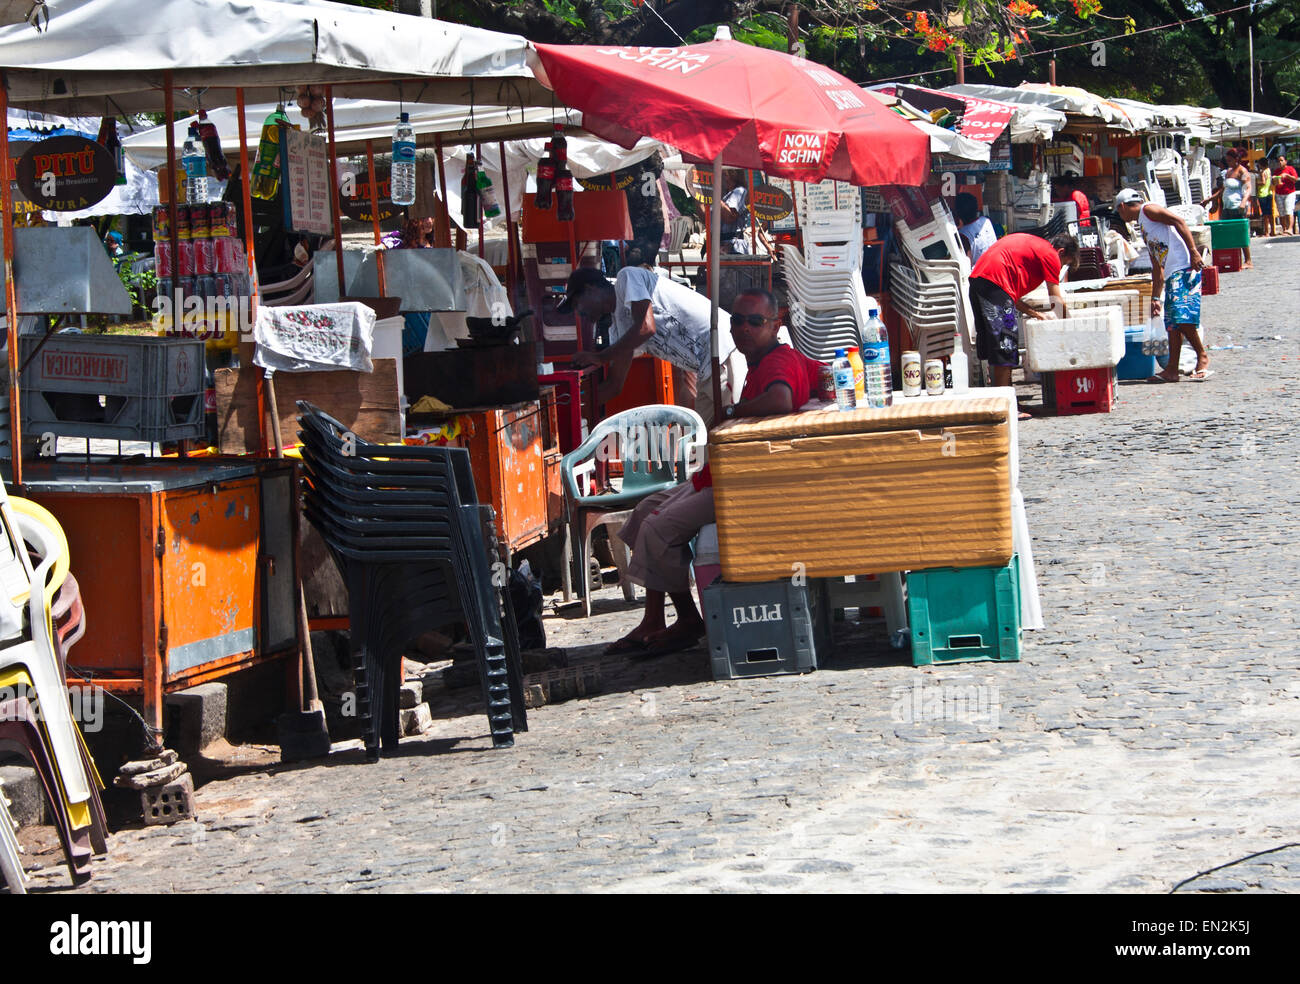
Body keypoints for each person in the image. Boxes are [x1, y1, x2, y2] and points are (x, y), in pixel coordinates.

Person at [606, 288, 823, 658]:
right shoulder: (760, 362)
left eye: (755, 322)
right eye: (737, 321)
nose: (744, 329)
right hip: (723, 471)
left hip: (747, 482)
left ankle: (685, 619)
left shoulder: (778, 361)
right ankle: (656, 618)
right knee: (644, 511)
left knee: (658, 526)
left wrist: (734, 412)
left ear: (775, 324)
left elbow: (781, 399)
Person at [561, 254, 732, 425]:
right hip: (706, 369)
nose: (579, 312)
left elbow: (646, 327)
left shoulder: (626, 277)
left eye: (577, 304)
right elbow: (614, 385)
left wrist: (600, 357)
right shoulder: (618, 329)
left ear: (591, 289)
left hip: (722, 352)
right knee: (704, 443)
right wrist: (571, 406)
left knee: (735, 435)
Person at [1114, 188, 1210, 383]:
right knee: (1172, 324)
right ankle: (1172, 369)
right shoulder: (1143, 226)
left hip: (1183, 267)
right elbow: (1157, 263)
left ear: (1122, 206)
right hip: (1172, 271)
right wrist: (1155, 297)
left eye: (1118, 210)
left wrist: (1193, 252)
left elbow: (1178, 221)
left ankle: (1202, 356)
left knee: (1182, 318)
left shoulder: (1149, 210)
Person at [967, 232, 1081, 398]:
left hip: (979, 281)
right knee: (1005, 345)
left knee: (995, 346)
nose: (1060, 267)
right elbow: (1055, 300)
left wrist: (1034, 313)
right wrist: (1071, 329)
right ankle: (1004, 402)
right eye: (1064, 263)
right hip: (994, 283)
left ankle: (1005, 398)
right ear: (1061, 252)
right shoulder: (1051, 254)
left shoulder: (1036, 247)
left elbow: (1011, 297)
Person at [1203, 148, 1253, 269]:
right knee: (1226, 232)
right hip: (1226, 206)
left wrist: (1243, 202)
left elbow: (1248, 188)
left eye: (1230, 160)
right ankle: (1231, 258)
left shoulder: (1242, 171)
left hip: (1237, 206)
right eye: (1227, 161)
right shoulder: (1229, 172)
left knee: (1240, 232)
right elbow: (1223, 190)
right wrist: (1210, 199)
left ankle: (1248, 260)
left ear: (1236, 159)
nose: (1228, 162)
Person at [954, 191, 997, 265]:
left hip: (981, 273)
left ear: (957, 213)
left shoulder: (963, 235)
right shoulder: (986, 221)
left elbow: (967, 266)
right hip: (995, 265)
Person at [1274, 154, 1297, 236]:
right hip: (1279, 193)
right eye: (1278, 161)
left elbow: (1295, 179)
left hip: (1289, 193)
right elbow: (1274, 183)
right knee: (1281, 212)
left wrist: (1287, 176)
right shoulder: (1277, 171)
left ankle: (1290, 229)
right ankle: (1285, 229)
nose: (1280, 162)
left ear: (1285, 161)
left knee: (1289, 210)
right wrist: (1275, 180)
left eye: (1281, 160)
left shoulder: (1290, 169)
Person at [1256, 156, 1276, 238]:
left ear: (1261, 164)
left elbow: (1263, 182)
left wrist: (1256, 183)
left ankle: (1266, 232)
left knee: (1265, 214)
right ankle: (1272, 231)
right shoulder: (1268, 170)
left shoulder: (1263, 172)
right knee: (1270, 213)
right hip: (1269, 193)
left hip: (1262, 194)